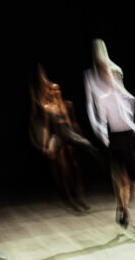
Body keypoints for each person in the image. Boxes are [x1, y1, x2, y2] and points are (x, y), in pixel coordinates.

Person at [85, 39, 135, 236]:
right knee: (122, 181)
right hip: (114, 138)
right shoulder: (92, 80)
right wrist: (103, 135)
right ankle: (123, 209)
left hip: (128, 135)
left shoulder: (116, 73)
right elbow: (94, 111)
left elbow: (128, 103)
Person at [30, 65, 92, 211]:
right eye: (52, 90)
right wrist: (45, 144)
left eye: (57, 89)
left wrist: (79, 136)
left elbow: (73, 123)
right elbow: (46, 127)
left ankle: (80, 197)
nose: (55, 92)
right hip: (58, 138)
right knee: (63, 170)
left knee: (76, 166)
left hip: (69, 136)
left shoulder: (67, 105)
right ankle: (69, 199)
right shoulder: (48, 108)